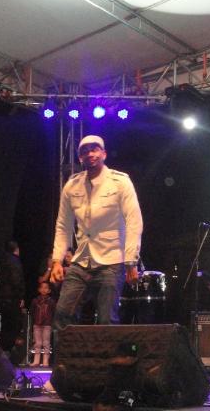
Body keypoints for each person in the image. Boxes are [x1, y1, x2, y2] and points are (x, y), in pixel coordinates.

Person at [50, 135, 143, 330]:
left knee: (106, 320)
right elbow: (63, 225)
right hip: (82, 260)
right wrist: (57, 260)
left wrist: (131, 261)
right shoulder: (72, 185)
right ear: (80, 158)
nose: (90, 154)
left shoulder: (120, 182)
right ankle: (68, 352)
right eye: (84, 151)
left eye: (94, 149)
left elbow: (134, 221)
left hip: (112, 261)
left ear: (104, 154)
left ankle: (106, 352)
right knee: (62, 314)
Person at [0, 240, 26, 351]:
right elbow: (16, 279)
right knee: (12, 325)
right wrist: (20, 295)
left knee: (1, 325)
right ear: (16, 249)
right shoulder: (15, 261)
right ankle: (7, 349)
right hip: (11, 298)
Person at [29, 281, 56, 367]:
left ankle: (45, 361)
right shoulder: (35, 301)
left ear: (49, 290)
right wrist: (34, 321)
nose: (44, 289)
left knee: (46, 343)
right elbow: (32, 312)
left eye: (46, 288)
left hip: (47, 324)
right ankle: (36, 361)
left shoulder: (51, 302)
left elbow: (54, 312)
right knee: (37, 343)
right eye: (42, 287)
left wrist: (51, 322)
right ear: (39, 289)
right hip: (37, 324)